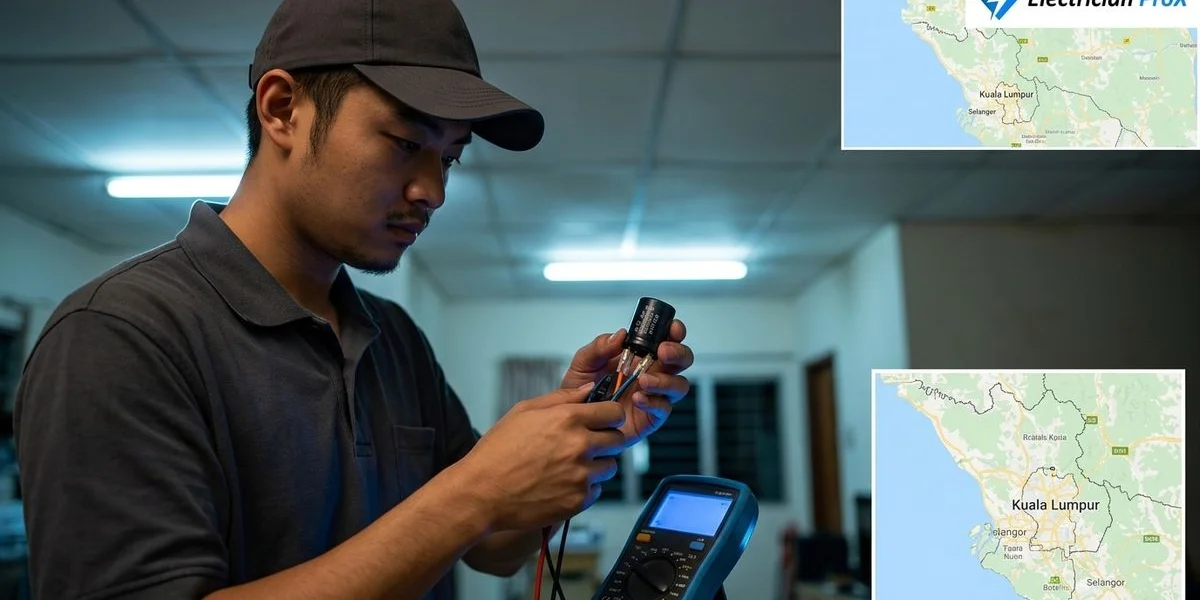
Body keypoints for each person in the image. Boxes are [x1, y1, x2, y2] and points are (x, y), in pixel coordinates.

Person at [11, 0, 695, 598]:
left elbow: (489, 547)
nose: (434, 190)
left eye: (450, 158)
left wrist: (580, 446)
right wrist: (473, 490)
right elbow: (466, 510)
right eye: (405, 143)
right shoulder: (117, 337)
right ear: (282, 109)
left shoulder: (394, 337)